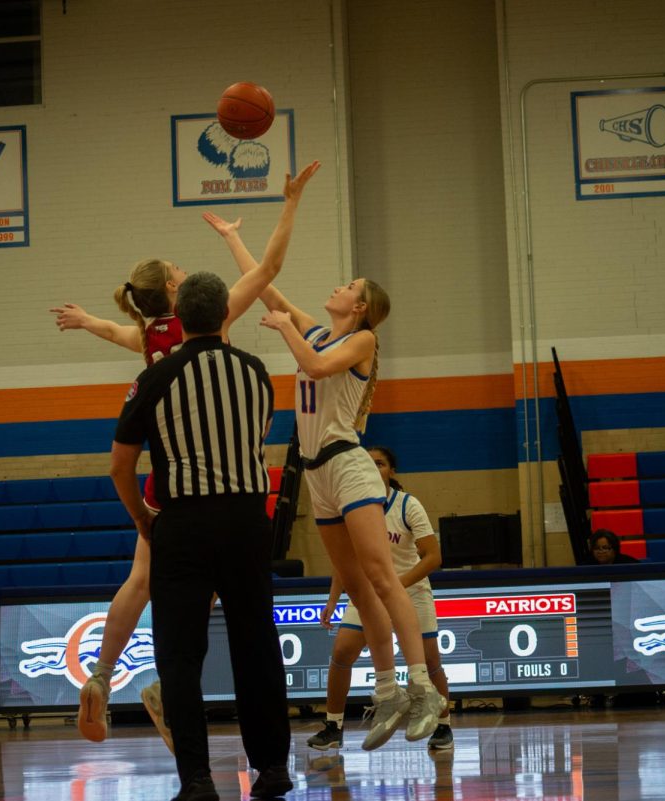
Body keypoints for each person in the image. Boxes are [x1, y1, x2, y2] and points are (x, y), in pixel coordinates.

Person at [50, 160, 320, 745]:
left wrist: (84, 318)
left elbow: (113, 330)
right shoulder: (210, 320)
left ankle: (101, 673)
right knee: (212, 583)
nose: (182, 267)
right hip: (216, 481)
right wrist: (290, 203)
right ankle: (168, 691)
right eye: (176, 268)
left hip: (162, 478)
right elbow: (271, 267)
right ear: (178, 289)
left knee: (143, 582)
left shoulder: (148, 336)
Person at [111, 271, 292, 801]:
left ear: (181, 318)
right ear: (223, 315)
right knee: (256, 646)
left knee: (180, 654)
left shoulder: (157, 376)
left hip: (183, 523)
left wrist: (144, 521)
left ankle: (197, 779)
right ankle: (273, 768)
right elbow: (256, 435)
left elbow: (120, 467)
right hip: (246, 520)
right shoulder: (256, 372)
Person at [255, 267, 444, 750]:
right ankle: (387, 690)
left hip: (347, 464)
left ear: (359, 307)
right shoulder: (318, 332)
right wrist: (233, 239)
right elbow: (266, 283)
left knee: (380, 577)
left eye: (349, 287)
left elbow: (315, 369)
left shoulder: (362, 342)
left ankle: (422, 688)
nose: (338, 287)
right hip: (315, 472)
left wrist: (285, 330)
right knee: (359, 588)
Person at [309, 446, 453, 752]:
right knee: (342, 651)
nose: (374, 468)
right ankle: (333, 725)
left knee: (430, 659)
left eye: (380, 463)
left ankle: (443, 725)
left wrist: (396, 587)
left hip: (409, 588)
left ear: (391, 471)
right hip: (369, 591)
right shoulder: (352, 509)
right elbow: (342, 562)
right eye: (368, 464)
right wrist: (332, 600)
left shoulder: (407, 505)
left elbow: (433, 557)